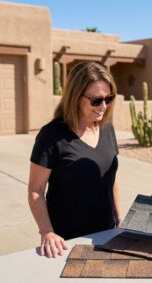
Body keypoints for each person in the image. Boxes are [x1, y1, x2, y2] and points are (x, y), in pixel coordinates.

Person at [28, 61, 122, 258]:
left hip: (106, 235)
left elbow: (110, 177)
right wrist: (47, 232)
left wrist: (119, 217)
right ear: (76, 97)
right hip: (66, 243)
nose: (103, 106)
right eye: (96, 100)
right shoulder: (51, 135)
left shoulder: (107, 128)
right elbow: (36, 190)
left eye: (108, 98)